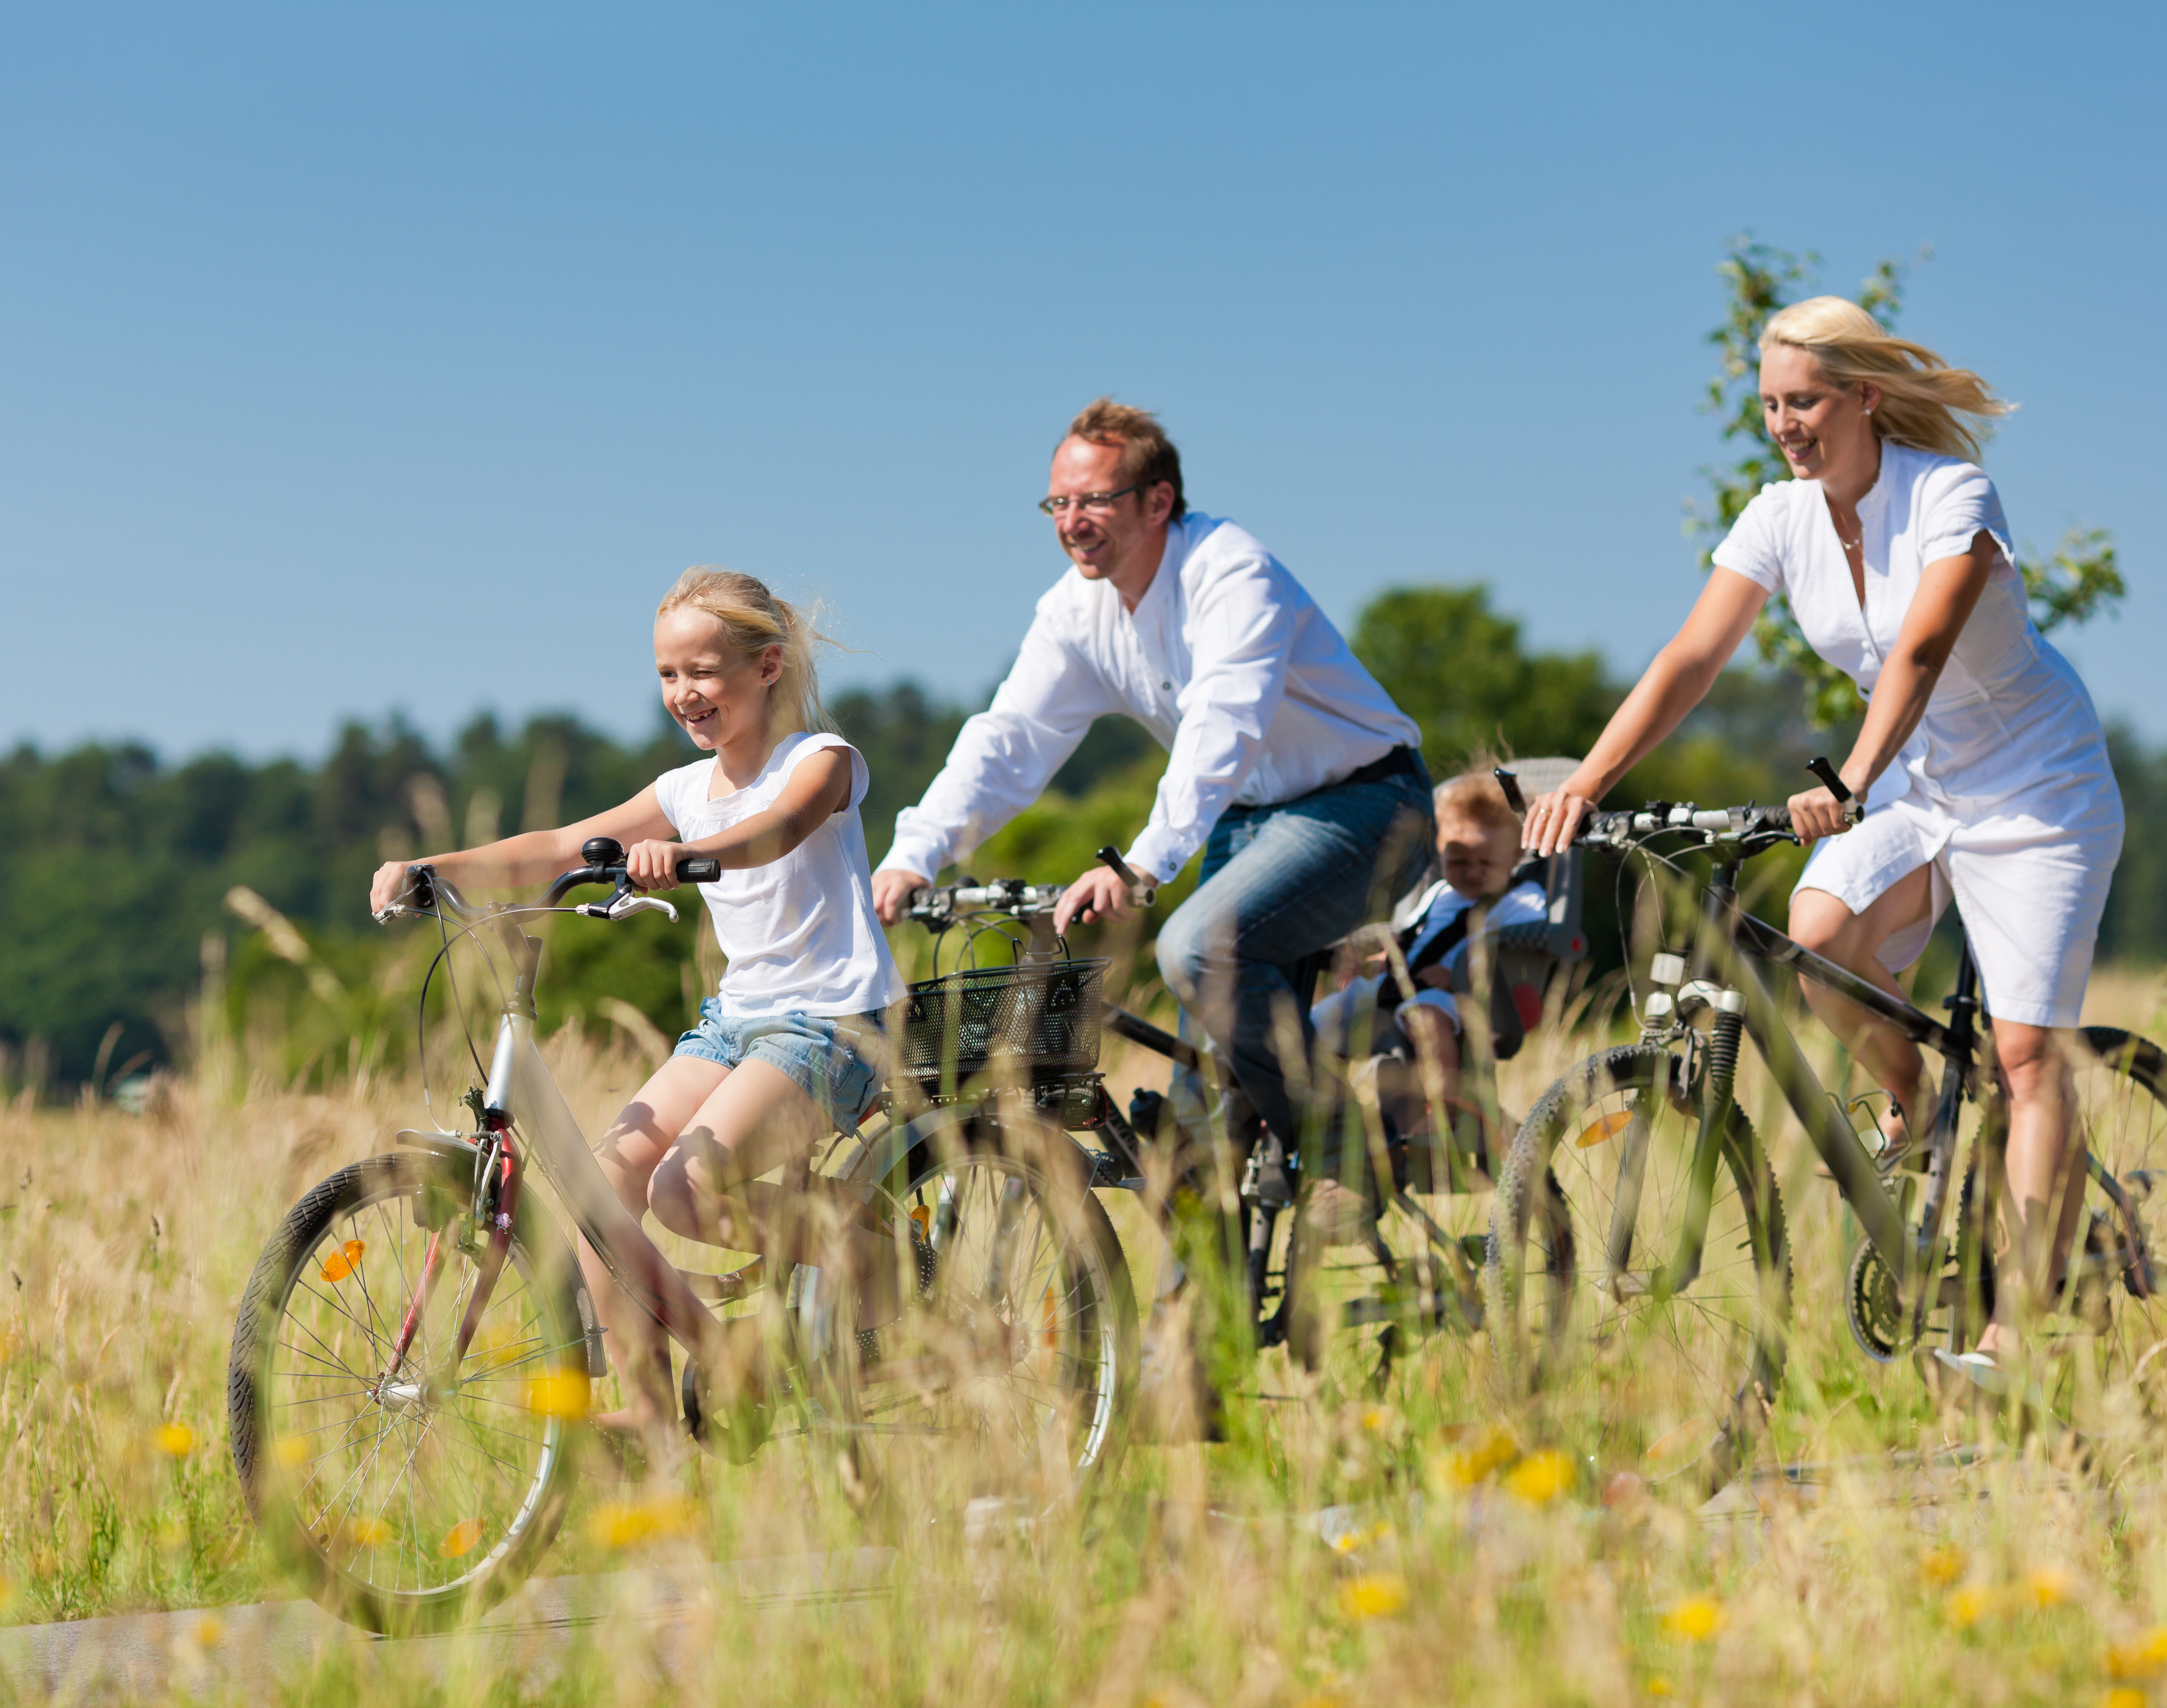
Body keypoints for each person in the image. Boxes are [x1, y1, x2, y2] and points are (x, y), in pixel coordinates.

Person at [1522, 297, 2123, 1388]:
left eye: (1802, 401)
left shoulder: (1950, 494)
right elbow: (1691, 657)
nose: (1783, 424)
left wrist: (1849, 777)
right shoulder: (1779, 516)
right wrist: (1587, 781)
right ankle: (1923, 1107)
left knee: (2028, 1056)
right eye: (1769, 404)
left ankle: (2016, 1343)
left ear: (1864, 397)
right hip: (1921, 788)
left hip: (2036, 791)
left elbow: (1924, 648)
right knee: (1817, 931)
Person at [371, 567, 905, 1449]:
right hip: (738, 1020)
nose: (683, 692)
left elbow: (778, 829)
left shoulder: (822, 761)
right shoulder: (684, 789)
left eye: (703, 671)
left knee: (684, 1193)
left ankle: (868, 1247)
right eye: (667, 674)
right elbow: (559, 843)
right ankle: (657, 1410)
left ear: (768, 665)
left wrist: (689, 854)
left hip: (831, 1021)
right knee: (601, 1185)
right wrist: (434, 868)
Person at [871, 397, 1433, 1178]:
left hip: (1367, 804)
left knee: (1198, 948)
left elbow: (1223, 719)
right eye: (1058, 503)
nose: (1072, 522)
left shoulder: (1231, 572)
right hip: (1249, 818)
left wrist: (1143, 861)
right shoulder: (1074, 611)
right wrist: (916, 852)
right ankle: (1205, 1249)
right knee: (1200, 1132)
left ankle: (1344, 1157)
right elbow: (1012, 737)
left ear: (1158, 500)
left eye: (1095, 500)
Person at [1313, 765, 1548, 1173]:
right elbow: (1411, 934)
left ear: (1516, 855)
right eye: (1458, 861)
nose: (1471, 873)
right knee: (1322, 1018)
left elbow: (1525, 940)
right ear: (1441, 850)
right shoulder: (1440, 893)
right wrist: (1383, 959)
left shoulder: (1520, 898)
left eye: (1485, 863)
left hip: (1465, 994)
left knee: (1426, 1018)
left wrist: (1461, 968)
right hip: (1404, 985)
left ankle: (1445, 1110)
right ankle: (1317, 1108)